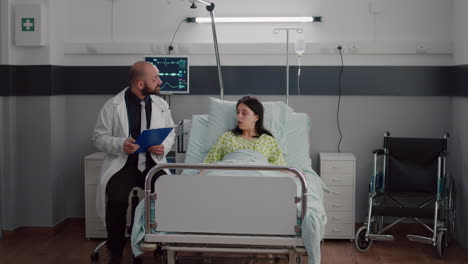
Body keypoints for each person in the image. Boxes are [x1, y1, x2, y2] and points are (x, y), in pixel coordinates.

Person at [92, 61, 175, 264]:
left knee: (168, 194)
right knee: (117, 200)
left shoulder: (161, 105)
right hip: (124, 164)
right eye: (155, 78)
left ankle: (161, 243)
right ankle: (116, 250)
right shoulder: (113, 106)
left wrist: (163, 146)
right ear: (140, 84)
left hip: (152, 163)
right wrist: (121, 144)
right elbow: (98, 137)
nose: (160, 82)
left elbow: (170, 131)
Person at [203, 96, 286, 165]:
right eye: (237, 112)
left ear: (256, 117)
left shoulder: (268, 140)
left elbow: (280, 167)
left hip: (259, 179)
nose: (239, 116)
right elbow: (209, 164)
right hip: (229, 177)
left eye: (244, 113)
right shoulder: (227, 137)